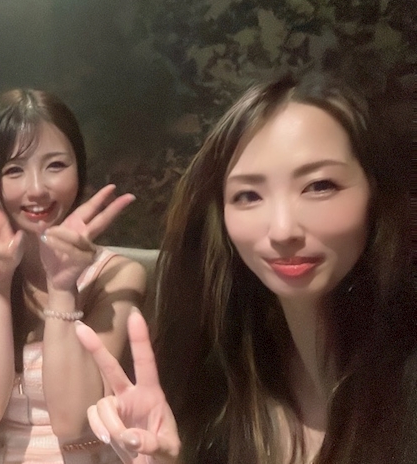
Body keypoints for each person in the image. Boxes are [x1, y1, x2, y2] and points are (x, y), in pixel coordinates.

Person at [75, 72, 417, 463]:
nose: (283, 230)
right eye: (249, 195)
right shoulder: (218, 377)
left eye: (319, 186)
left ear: (376, 192)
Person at [0, 88, 147, 463]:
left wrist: (63, 286)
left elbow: (73, 421)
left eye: (56, 165)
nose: (36, 189)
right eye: (14, 170)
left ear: (79, 169)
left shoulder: (117, 276)